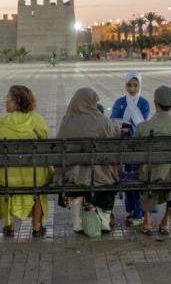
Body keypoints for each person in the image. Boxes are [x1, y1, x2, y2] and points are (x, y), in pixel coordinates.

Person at [55, 88, 121, 235]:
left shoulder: (66, 121)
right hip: (101, 176)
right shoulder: (102, 121)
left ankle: (78, 222)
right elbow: (115, 132)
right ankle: (104, 219)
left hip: (73, 177)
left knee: (75, 172)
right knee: (109, 170)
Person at [0, 85, 51, 237]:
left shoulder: (1, 123)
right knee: (39, 186)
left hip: (8, 177)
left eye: (8, 99)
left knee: (7, 179)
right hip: (35, 176)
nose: (5, 102)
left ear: (17, 102)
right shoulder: (37, 120)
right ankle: (37, 226)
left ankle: (9, 226)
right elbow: (47, 144)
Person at [135, 85, 171, 236]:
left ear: (155, 103)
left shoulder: (142, 127)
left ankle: (147, 219)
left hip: (149, 177)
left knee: (142, 173)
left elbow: (136, 158)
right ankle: (167, 219)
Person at [110, 71, 151, 227]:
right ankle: (131, 210)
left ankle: (139, 213)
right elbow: (113, 121)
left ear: (140, 85)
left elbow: (142, 125)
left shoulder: (144, 103)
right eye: (129, 85)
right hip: (123, 147)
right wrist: (123, 126)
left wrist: (128, 127)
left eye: (135, 85)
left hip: (139, 148)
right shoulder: (120, 101)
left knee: (137, 178)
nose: (132, 89)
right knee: (128, 178)